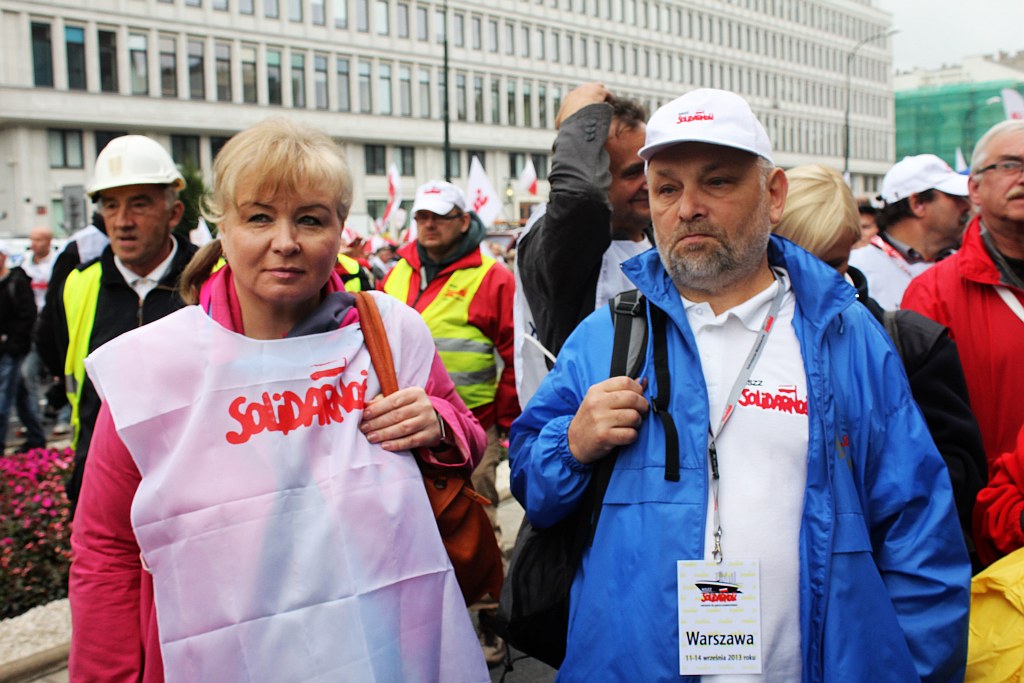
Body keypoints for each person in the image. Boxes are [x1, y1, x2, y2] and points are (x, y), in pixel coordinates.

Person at [510, 89, 970, 681]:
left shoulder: (846, 334)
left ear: (773, 195)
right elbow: (532, 485)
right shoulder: (608, 336)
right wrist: (571, 445)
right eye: (667, 188)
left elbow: (919, 532)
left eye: (718, 182)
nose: (688, 208)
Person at [69, 118, 490, 682]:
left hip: (382, 649)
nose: (286, 241)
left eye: (310, 219)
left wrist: (438, 425)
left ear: (340, 228)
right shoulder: (153, 368)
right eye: (259, 217)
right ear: (221, 225)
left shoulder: (389, 334)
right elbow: (105, 549)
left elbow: (466, 438)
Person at [776, 164, 986, 569]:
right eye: (795, 263)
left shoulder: (912, 343)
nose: (815, 280)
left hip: (878, 571)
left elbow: (957, 480)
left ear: (851, 248)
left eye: (832, 263)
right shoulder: (735, 338)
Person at [382, 179, 518, 664]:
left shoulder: (493, 277)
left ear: (464, 221)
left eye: (439, 217)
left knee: (475, 523)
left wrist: (505, 424)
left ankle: (488, 624)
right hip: (400, 430)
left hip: (472, 427)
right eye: (422, 216)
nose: (428, 225)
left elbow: (513, 356)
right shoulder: (398, 271)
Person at [55, 135, 198, 511]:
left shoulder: (211, 278)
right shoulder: (80, 283)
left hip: (190, 492)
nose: (122, 222)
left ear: (174, 213)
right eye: (110, 205)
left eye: (139, 204)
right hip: (102, 489)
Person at [514, 83, 651, 405]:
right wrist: (580, 120)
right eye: (633, 173)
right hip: (571, 428)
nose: (650, 182)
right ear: (598, 174)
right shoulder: (557, 248)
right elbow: (580, 199)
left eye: (652, 167)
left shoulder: (659, 235)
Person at [903, 120, 1024, 475]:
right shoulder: (932, 293)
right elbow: (923, 433)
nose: (1022, 177)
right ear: (974, 188)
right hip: (986, 501)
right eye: (1010, 164)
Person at [849, 154, 971, 309]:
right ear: (917, 204)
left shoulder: (969, 265)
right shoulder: (856, 270)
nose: (967, 206)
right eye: (956, 197)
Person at [36, 212, 109, 438]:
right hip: (91, 392)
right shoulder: (78, 250)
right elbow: (52, 318)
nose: (124, 222)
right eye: (112, 205)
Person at [0, 242, 42, 452]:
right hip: (8, 348)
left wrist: (13, 343)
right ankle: (36, 437)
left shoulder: (16, 281)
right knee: (19, 394)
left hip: (12, 349)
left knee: (4, 397)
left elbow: (27, 315)